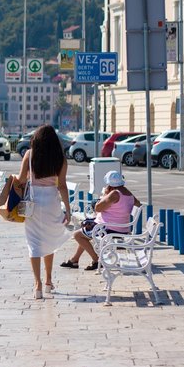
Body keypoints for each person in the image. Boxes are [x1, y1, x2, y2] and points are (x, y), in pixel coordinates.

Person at [16, 124, 72, 299]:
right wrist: (68, 210)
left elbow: (20, 180)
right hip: (51, 202)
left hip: (32, 203)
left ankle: (37, 285)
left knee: (34, 243)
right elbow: (62, 186)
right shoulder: (60, 159)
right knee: (49, 240)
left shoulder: (29, 155)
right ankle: (48, 280)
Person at [60, 171, 140, 271]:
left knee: (77, 235)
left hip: (109, 228)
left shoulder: (114, 194)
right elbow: (137, 203)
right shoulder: (127, 192)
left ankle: (96, 260)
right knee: (84, 233)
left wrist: (106, 195)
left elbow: (97, 208)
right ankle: (74, 260)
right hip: (120, 227)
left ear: (110, 184)